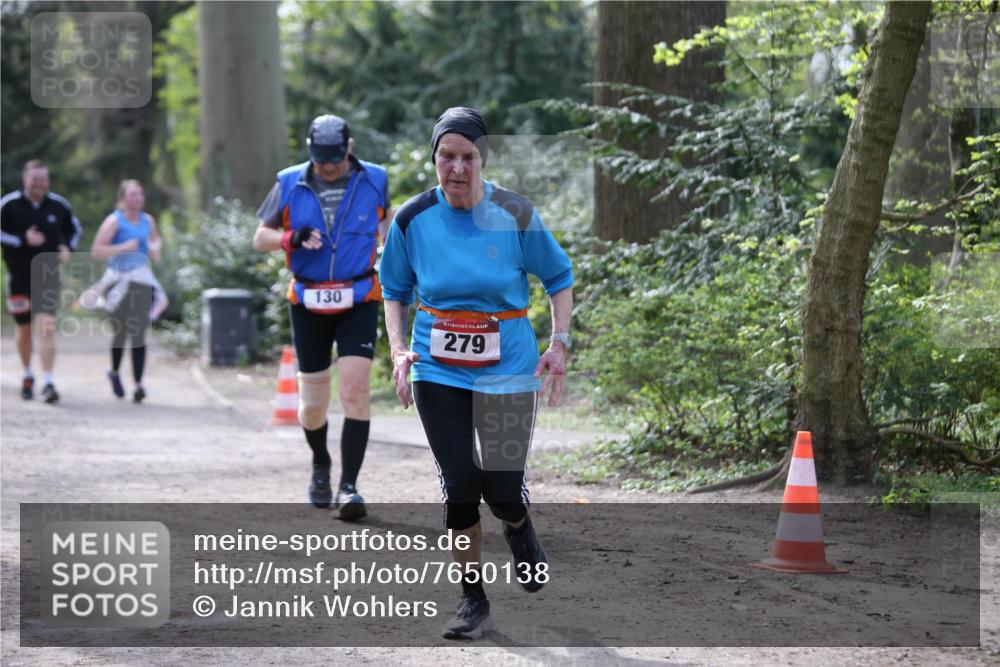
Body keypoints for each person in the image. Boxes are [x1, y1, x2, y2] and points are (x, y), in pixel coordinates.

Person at [380, 107, 573, 640]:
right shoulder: (412, 218)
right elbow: (393, 291)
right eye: (447, 156)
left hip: (508, 366)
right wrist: (399, 353)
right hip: (437, 367)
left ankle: (519, 525)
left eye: (468, 157)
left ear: (483, 160)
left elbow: (558, 276)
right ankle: (471, 597)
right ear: (435, 159)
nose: (457, 168)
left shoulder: (513, 212)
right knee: (461, 485)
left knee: (504, 487)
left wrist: (558, 343)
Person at [253, 114, 391, 519]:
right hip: (309, 303)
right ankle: (320, 464)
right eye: (320, 158)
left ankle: (350, 487)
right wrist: (287, 237)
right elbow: (259, 237)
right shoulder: (290, 181)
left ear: (348, 147)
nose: (327, 166)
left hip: (359, 297)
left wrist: (401, 264)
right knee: (312, 406)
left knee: (355, 391)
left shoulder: (375, 179)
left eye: (333, 158)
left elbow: (388, 230)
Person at [1, 160, 82, 403]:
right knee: (24, 330)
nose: (40, 184)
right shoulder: (9, 205)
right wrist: (23, 240)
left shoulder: (59, 205)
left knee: (46, 327)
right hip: (18, 279)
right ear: (26, 179)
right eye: (35, 179)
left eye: (44, 179)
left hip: (47, 278)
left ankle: (48, 381)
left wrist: (67, 248)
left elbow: (74, 230)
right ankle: (27, 375)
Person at [89, 180, 166, 403]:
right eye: (133, 194)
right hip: (117, 280)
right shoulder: (114, 221)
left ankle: (139, 385)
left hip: (140, 279)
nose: (138, 198)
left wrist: (155, 250)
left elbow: (154, 250)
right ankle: (113, 372)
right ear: (123, 199)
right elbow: (97, 252)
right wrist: (122, 248)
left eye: (140, 194)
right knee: (121, 332)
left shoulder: (148, 221)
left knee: (139, 332)